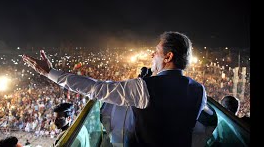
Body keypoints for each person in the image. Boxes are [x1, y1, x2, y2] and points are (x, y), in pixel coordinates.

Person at [23, 31, 207, 147]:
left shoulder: (144, 88)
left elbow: (96, 88)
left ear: (168, 56)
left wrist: (50, 72)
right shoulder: (200, 90)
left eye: (156, 52)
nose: (152, 55)